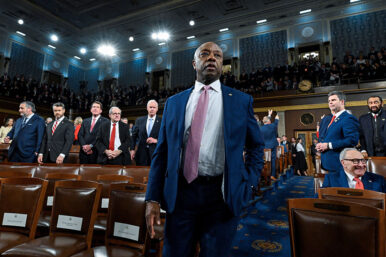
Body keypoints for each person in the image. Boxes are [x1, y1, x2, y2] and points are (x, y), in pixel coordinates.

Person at [145, 42, 265, 257]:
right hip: (180, 195)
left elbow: (256, 146)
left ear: (221, 63)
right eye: (205, 54)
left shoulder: (240, 101)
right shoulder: (174, 102)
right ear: (194, 63)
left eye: (217, 55)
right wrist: (152, 198)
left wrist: (249, 182)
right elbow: (161, 153)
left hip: (221, 196)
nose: (211, 58)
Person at [316, 91, 359, 172]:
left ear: (342, 102)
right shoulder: (332, 119)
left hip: (339, 164)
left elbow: (352, 140)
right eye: (329, 101)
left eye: (333, 100)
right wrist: (320, 145)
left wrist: (328, 145)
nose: (330, 103)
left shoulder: (348, 118)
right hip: (327, 163)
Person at [130, 100, 161, 166]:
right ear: (147, 108)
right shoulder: (139, 120)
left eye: (154, 107)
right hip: (141, 154)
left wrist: (156, 140)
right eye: (150, 107)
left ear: (157, 109)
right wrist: (132, 149)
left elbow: (166, 136)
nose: (152, 109)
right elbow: (134, 136)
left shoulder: (162, 121)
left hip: (156, 154)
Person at [259, 110, 279, 180]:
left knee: (264, 161)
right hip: (273, 146)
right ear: (268, 121)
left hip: (264, 147)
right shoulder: (272, 126)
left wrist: (269, 115)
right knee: (272, 160)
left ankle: (262, 175)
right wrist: (276, 116)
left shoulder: (260, 128)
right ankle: (272, 175)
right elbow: (276, 121)